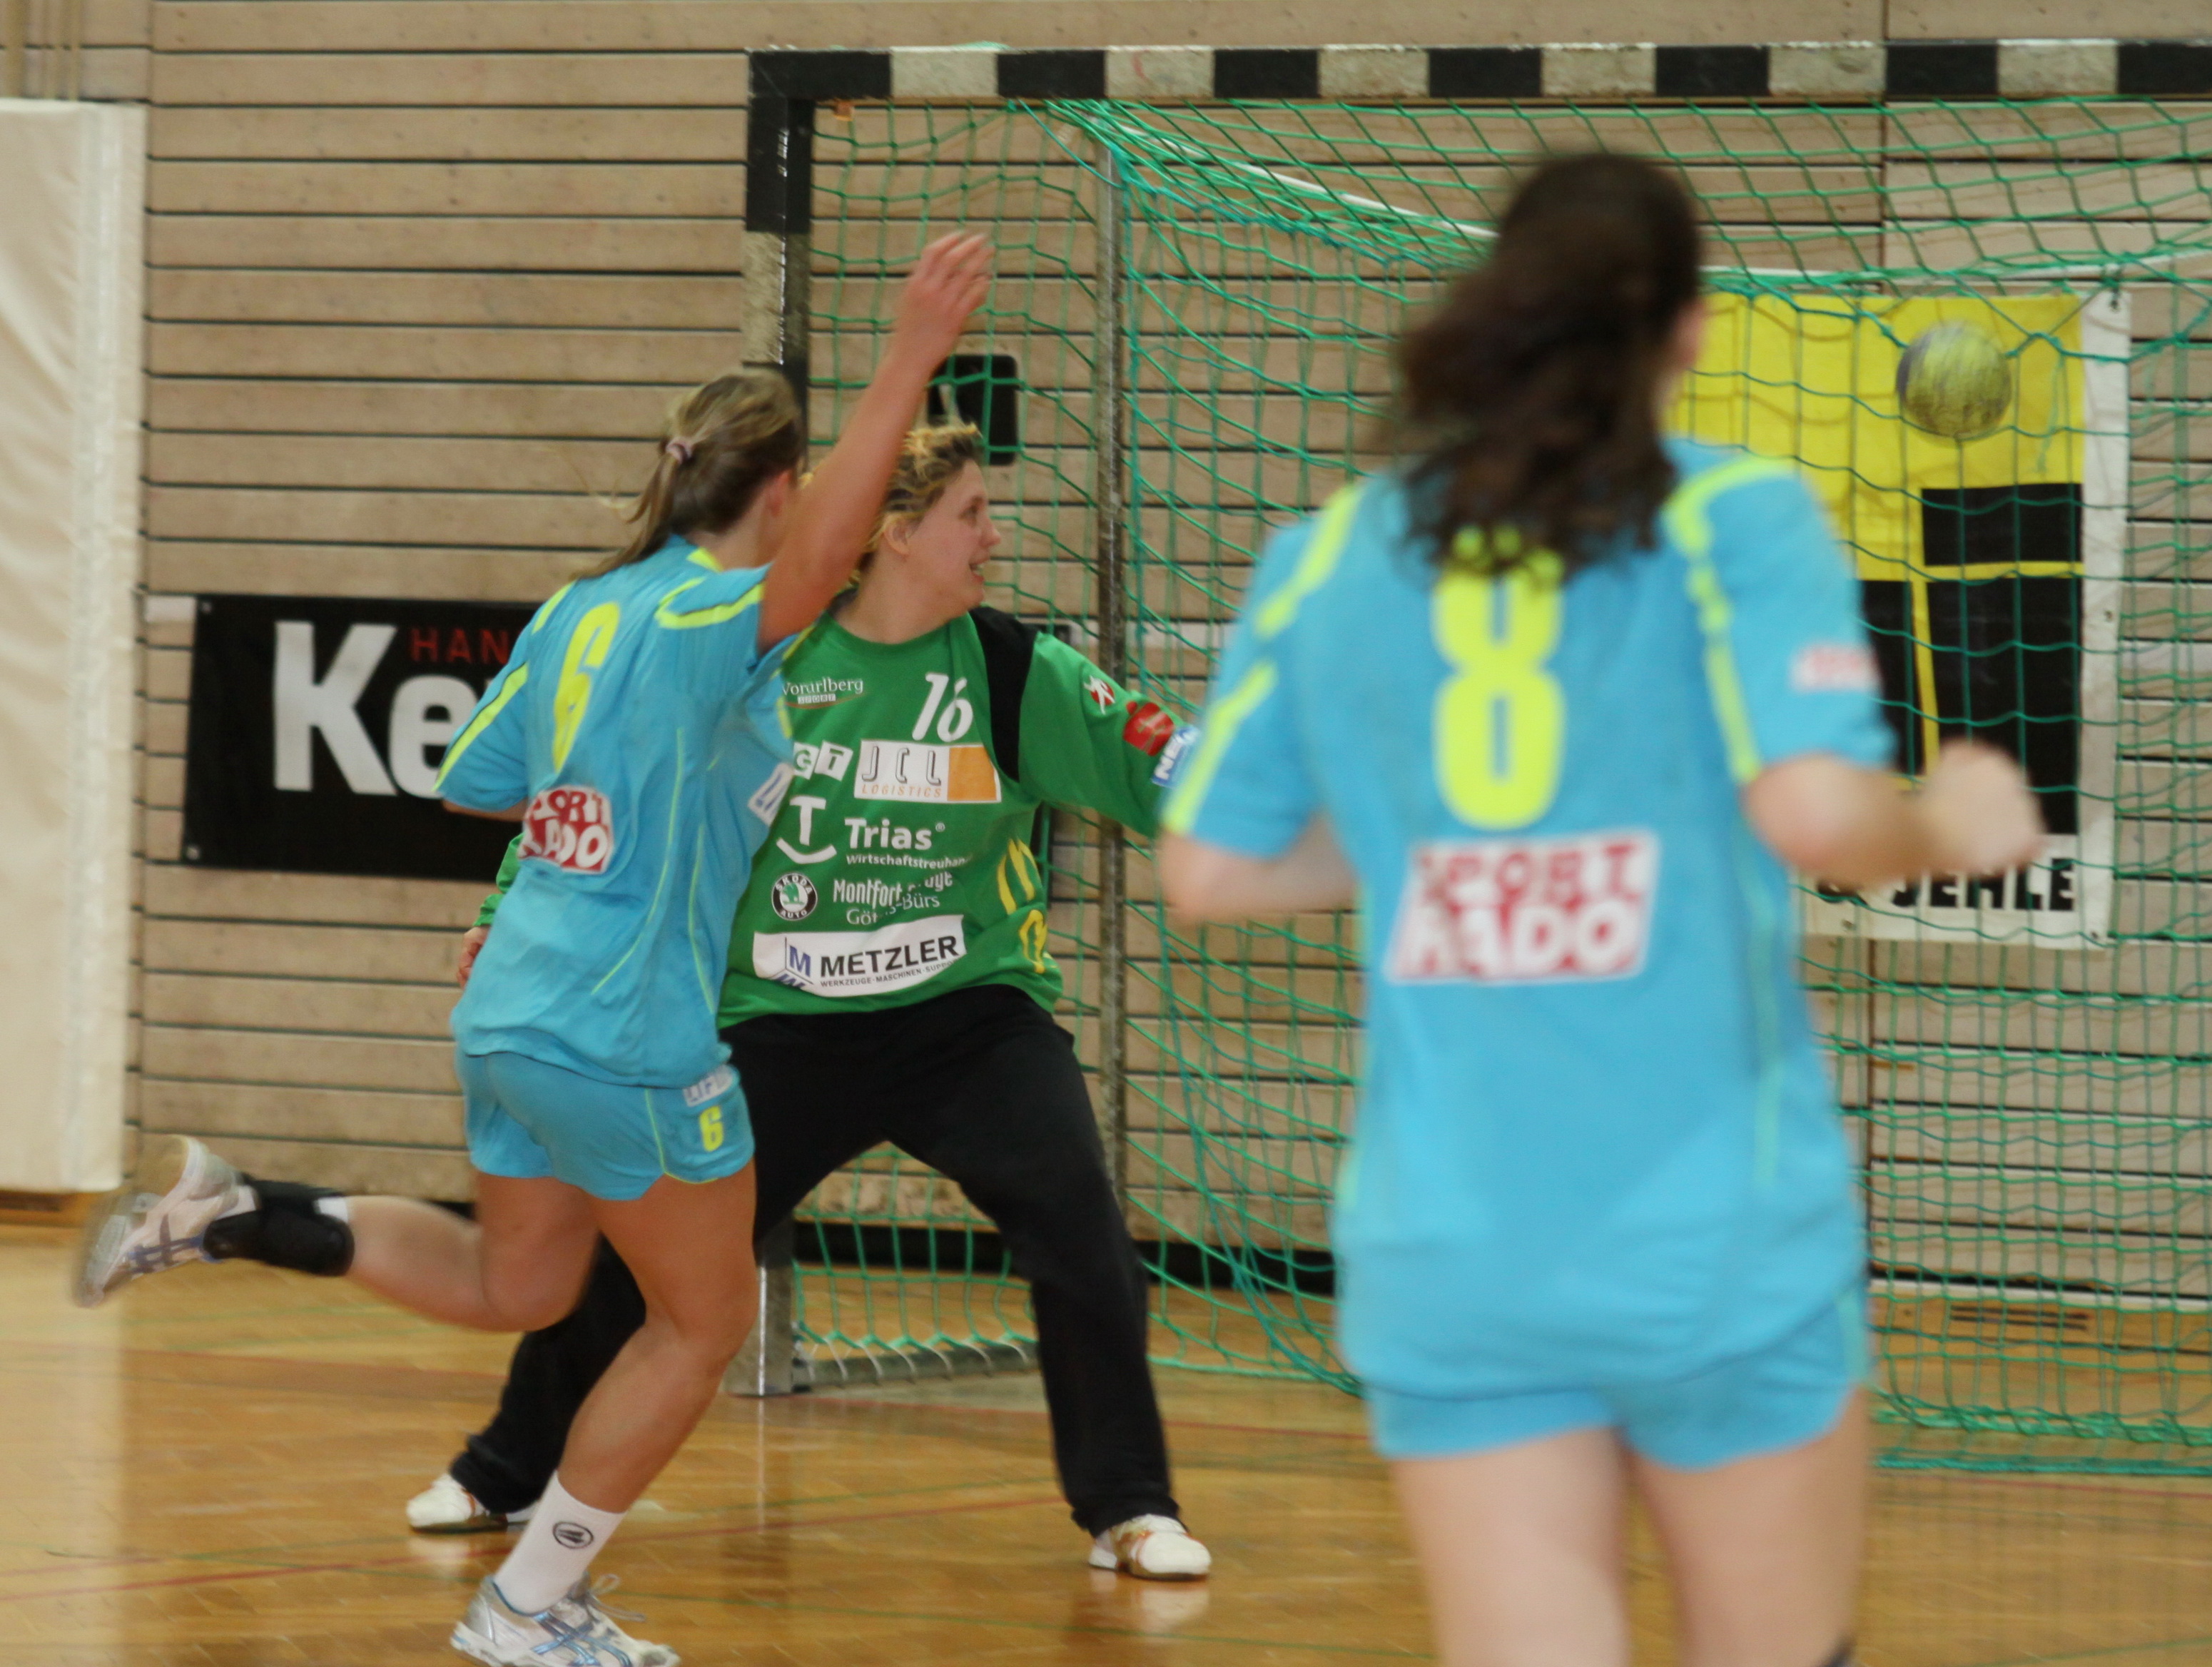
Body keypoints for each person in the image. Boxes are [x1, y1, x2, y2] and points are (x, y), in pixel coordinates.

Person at [1155, 154, 2043, 1667]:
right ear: (1688, 328)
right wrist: (1953, 820)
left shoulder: (1332, 553)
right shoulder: (1733, 517)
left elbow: (1210, 869)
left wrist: (1442, 840)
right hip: (1711, 1239)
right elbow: (1817, 815)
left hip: (1455, 1251)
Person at [72, 232, 994, 1666]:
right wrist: (910, 356)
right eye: (808, 487)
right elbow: (822, 556)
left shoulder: (583, 607)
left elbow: (476, 778)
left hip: (516, 1008)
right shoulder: (703, 616)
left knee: (523, 1289)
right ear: (777, 489)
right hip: (629, 1031)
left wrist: (597, 815)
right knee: (701, 1328)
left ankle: (234, 1208)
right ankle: (528, 1605)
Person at [411, 422, 1212, 1581]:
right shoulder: (763, 658)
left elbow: (1168, 767)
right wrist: (505, 907)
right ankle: (502, 1468)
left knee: (1082, 1235)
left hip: (969, 1016)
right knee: (639, 1252)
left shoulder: (1012, 670)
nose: (996, 535)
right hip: (773, 1015)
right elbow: (609, 789)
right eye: (972, 514)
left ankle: (1131, 1508)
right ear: (897, 534)